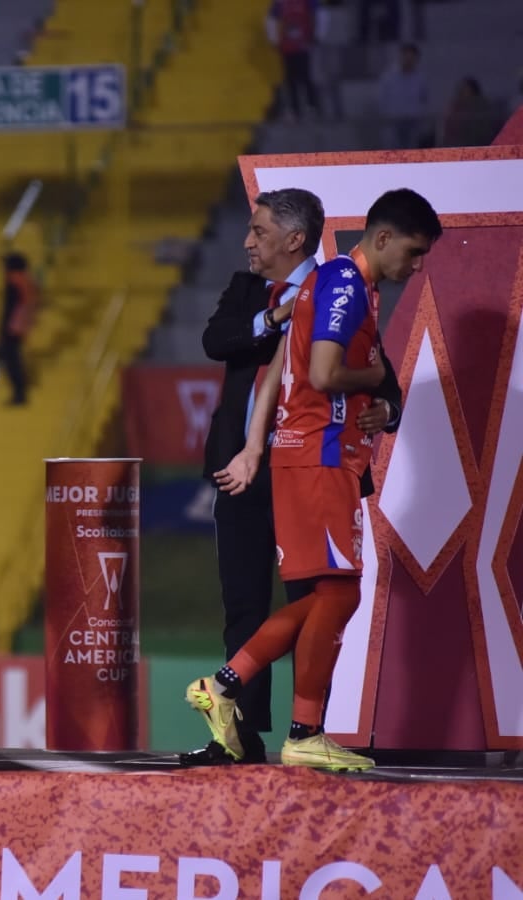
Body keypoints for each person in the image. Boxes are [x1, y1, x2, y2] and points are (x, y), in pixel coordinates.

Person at [198, 188, 441, 771]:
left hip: (308, 459)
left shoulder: (338, 285)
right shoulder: (340, 283)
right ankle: (261, 715)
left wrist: (385, 400)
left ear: (295, 238)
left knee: (329, 596)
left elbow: (291, 373)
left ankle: (252, 699)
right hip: (314, 460)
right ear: (382, 239)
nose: (416, 267)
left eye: (259, 230)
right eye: (413, 253)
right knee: (321, 595)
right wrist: (372, 374)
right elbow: (320, 371)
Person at [0, 253, 38, 406]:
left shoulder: (14, 280)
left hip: (13, 325)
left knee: (11, 359)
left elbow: (10, 307)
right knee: (13, 357)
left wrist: (4, 326)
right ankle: (20, 391)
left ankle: (19, 393)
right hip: (22, 325)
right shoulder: (27, 280)